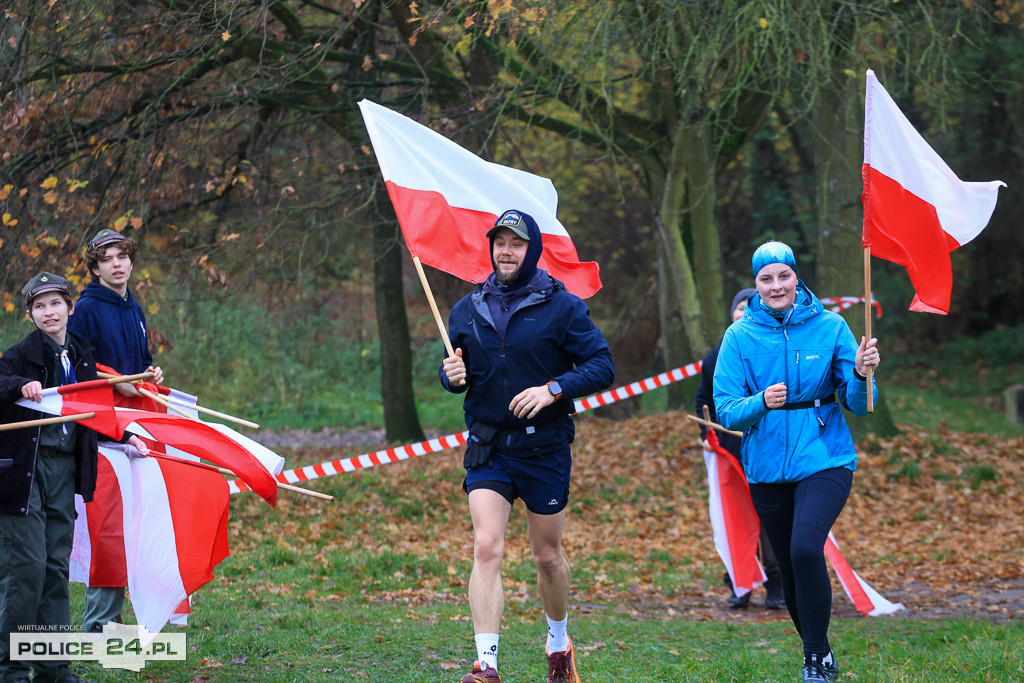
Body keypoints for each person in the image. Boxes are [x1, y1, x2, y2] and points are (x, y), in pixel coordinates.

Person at [440, 209, 614, 683]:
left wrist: (554, 389)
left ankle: (558, 644)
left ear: (531, 249)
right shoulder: (466, 308)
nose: (506, 251)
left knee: (546, 555)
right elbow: (458, 370)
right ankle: (486, 664)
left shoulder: (563, 306)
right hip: (489, 447)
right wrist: (449, 376)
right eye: (500, 242)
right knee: (486, 545)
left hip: (545, 449)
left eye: (516, 243)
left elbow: (602, 365)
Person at [713, 241, 880, 683]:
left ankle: (812, 660)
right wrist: (760, 402)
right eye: (766, 279)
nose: (776, 286)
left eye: (782, 276)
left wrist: (863, 373)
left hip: (825, 456)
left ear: (796, 276)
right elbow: (726, 409)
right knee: (788, 566)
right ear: (755, 286)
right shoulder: (739, 337)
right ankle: (820, 653)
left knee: (806, 547)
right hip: (766, 466)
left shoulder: (831, 326)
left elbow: (860, 405)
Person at [0, 272, 99, 683]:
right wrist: (19, 386)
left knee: (55, 568)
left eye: (55, 303)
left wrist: (129, 436)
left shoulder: (82, 356)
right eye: (39, 306)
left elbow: (102, 408)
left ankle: (53, 666)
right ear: (30, 314)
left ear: (70, 307)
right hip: (25, 474)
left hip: (63, 470)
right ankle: (9, 668)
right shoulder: (19, 356)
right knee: (26, 568)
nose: (48, 312)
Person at [68, 228, 163, 634]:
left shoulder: (135, 309)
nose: (117, 264)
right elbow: (77, 367)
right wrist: (114, 383)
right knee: (108, 526)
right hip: (104, 430)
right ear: (95, 266)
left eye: (122, 256)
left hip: (137, 424)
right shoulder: (86, 309)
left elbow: (140, 361)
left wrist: (151, 373)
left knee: (136, 523)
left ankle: (117, 628)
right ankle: (99, 628)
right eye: (107, 259)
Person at [694, 287, 784, 610]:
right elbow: (704, 400)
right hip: (730, 453)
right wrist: (707, 433)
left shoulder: (772, 350)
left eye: (751, 307)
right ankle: (741, 583)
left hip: (767, 449)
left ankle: (777, 584)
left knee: (769, 514)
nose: (744, 312)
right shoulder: (716, 356)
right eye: (739, 307)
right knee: (735, 517)